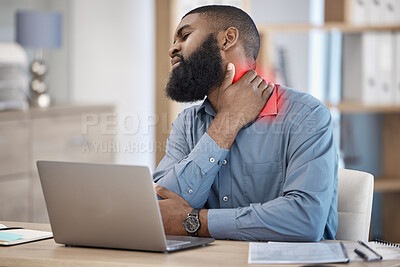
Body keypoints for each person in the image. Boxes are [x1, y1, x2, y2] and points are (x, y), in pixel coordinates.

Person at [153, 5, 338, 242]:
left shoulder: (306, 115)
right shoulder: (187, 123)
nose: (172, 48)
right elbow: (160, 211)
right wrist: (227, 123)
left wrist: (195, 221)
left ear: (227, 39)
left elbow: (305, 220)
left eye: (185, 35)